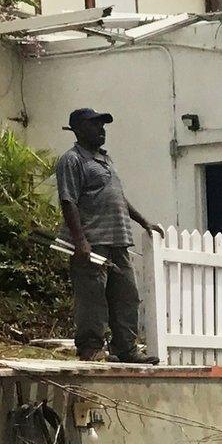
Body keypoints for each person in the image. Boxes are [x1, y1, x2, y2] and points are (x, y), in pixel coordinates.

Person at [55, 109, 161, 363]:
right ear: (78, 129)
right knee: (93, 297)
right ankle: (91, 348)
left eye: (103, 126)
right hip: (92, 242)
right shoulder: (72, 160)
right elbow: (68, 200)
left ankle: (126, 349)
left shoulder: (104, 159)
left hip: (118, 239)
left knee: (127, 296)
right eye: (95, 125)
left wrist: (143, 220)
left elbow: (119, 198)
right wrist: (80, 240)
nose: (101, 130)